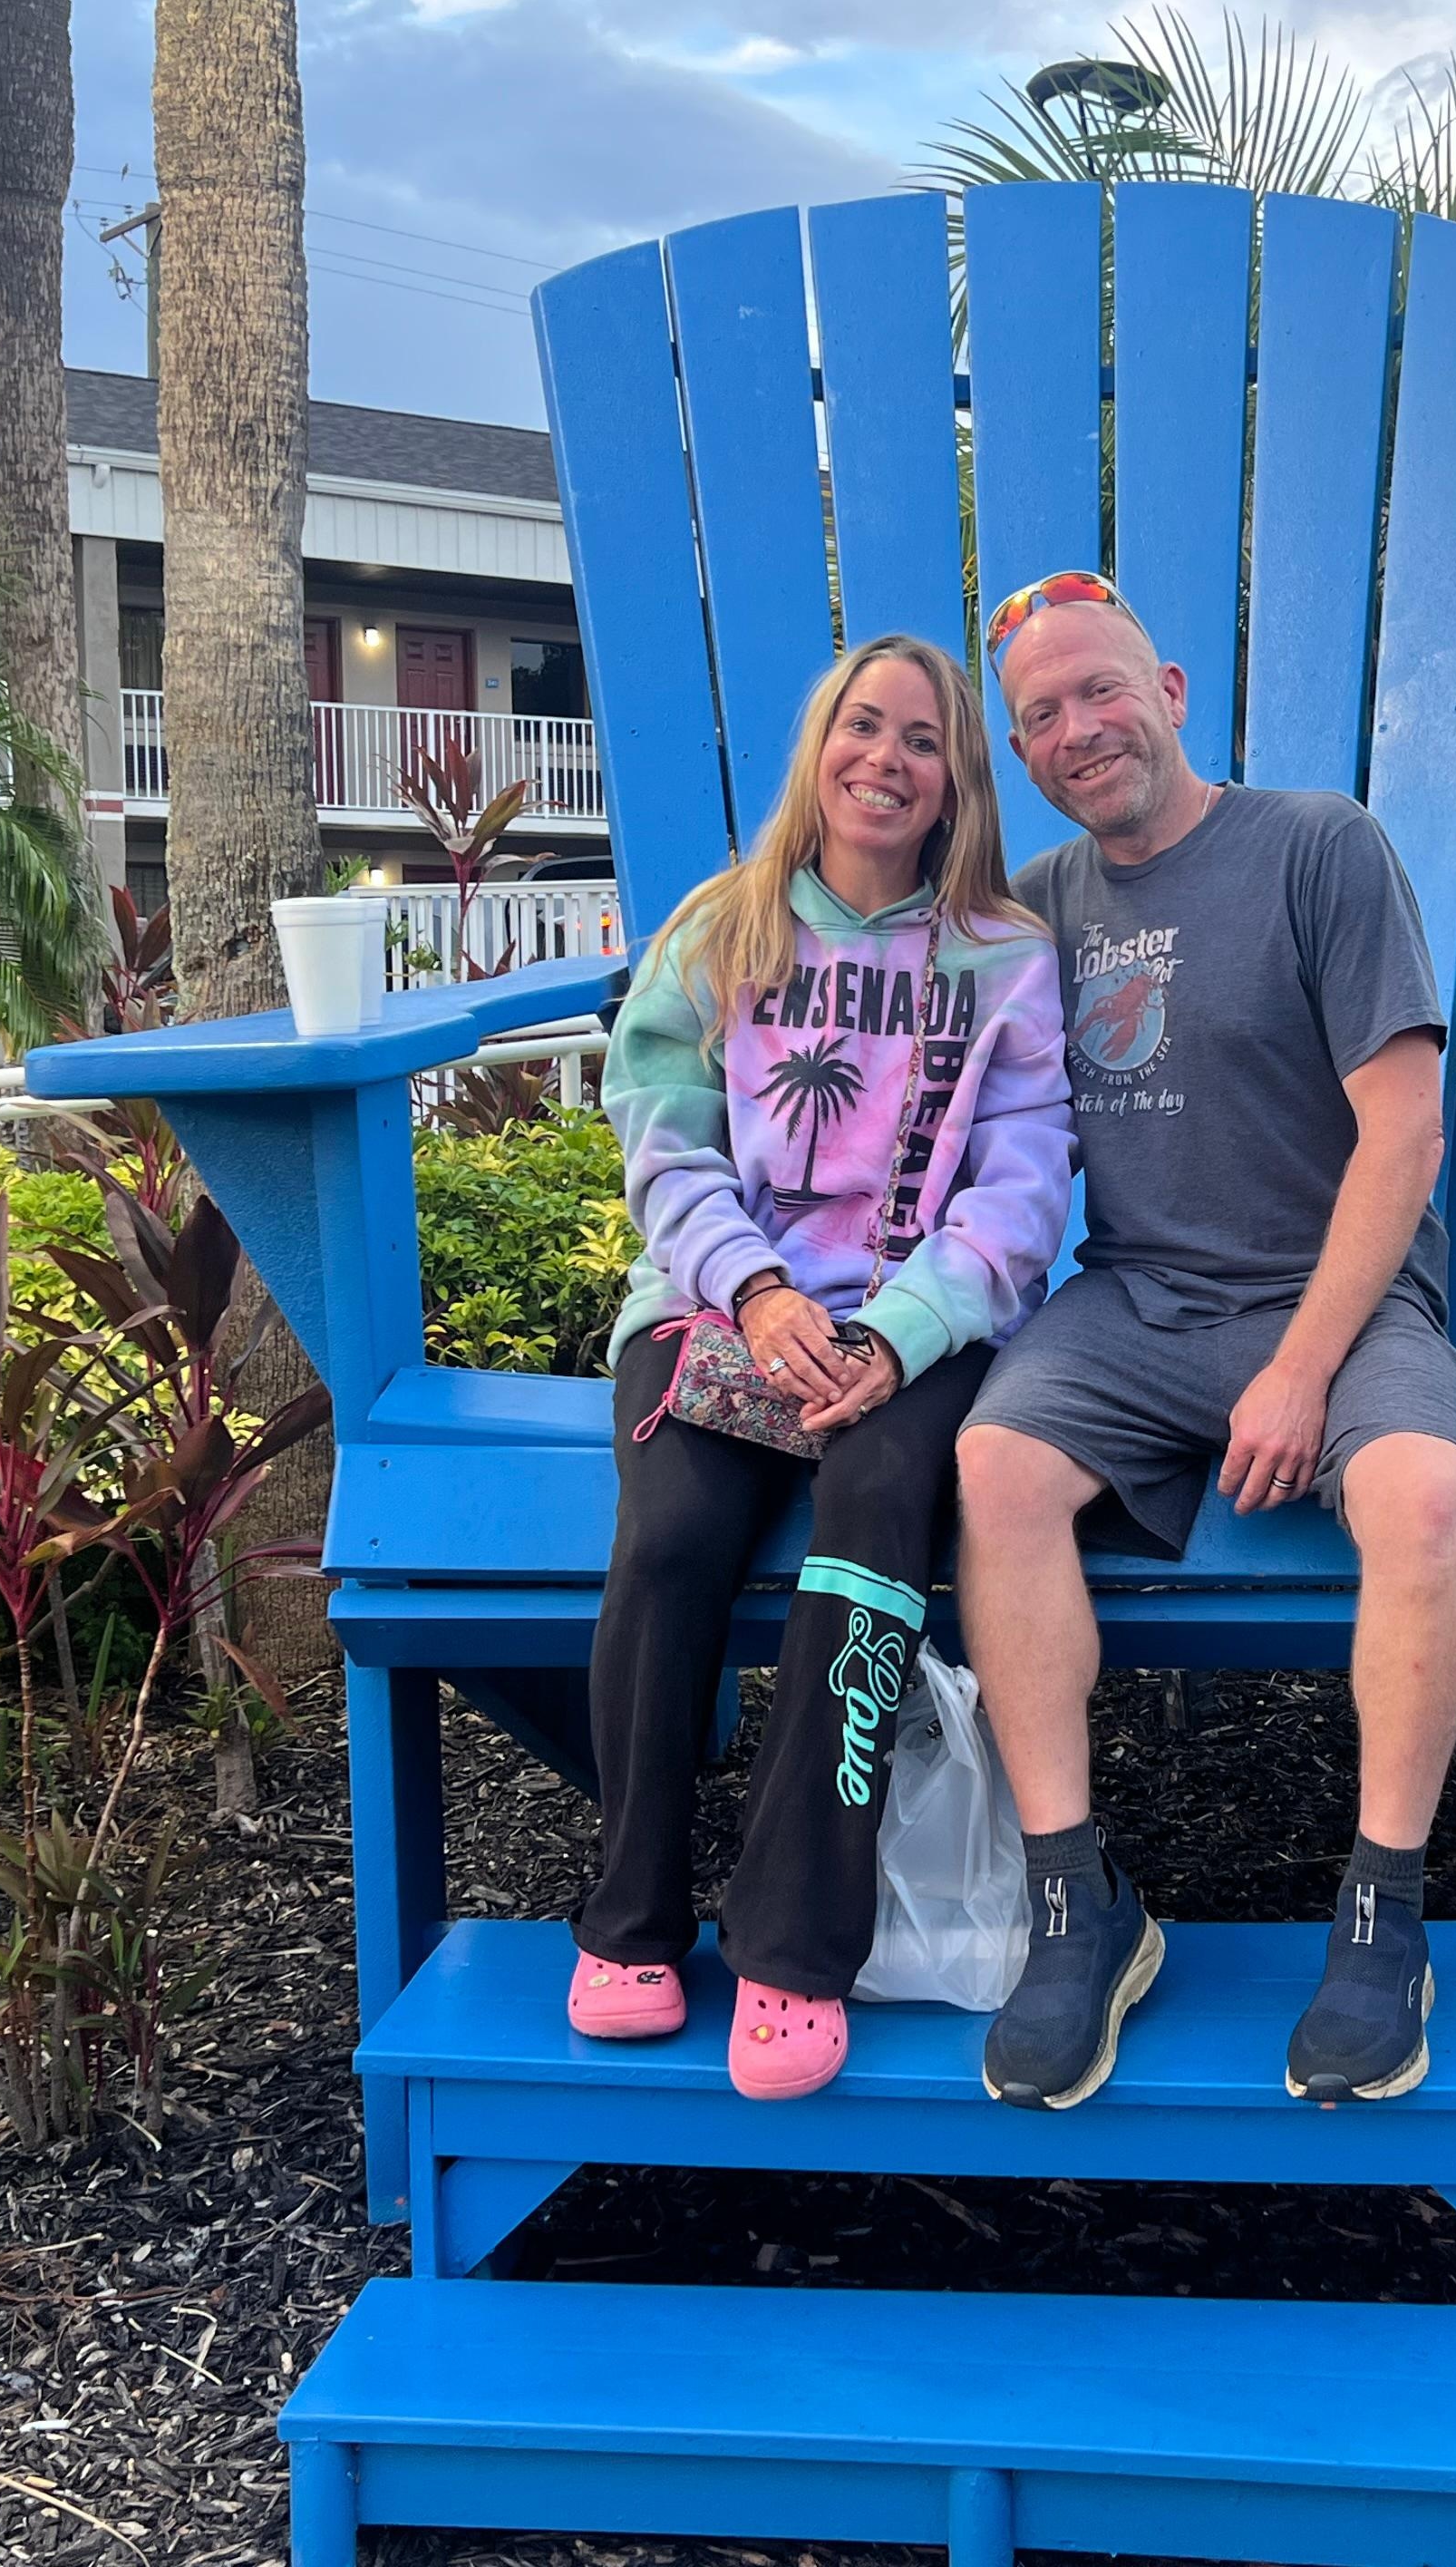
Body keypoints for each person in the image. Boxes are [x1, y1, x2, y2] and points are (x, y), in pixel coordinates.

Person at [956, 570, 1456, 2112]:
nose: (1081, 729)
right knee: (995, 1466)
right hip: (1135, 1304)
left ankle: (1382, 1912)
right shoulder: (1039, 912)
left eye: (1101, 690)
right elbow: (954, 1125)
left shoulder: (1317, 848)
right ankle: (1080, 1907)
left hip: (1334, 1298)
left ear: (1174, 690)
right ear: (1021, 755)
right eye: (1043, 718)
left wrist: (1300, 1365)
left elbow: (1403, 1133)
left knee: (1415, 1498)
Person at [571, 632, 1073, 2100]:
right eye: (864, 727)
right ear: (820, 749)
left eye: (922, 741)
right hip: (719, 1308)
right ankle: (630, 1922)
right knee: (670, 1540)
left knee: (870, 1540)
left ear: (955, 786)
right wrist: (760, 1290)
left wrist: (896, 1333)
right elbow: (660, 1136)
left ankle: (796, 1947)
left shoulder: (1003, 961)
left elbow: (1024, 1185)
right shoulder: (720, 933)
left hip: (911, 1333)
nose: (886, 760)